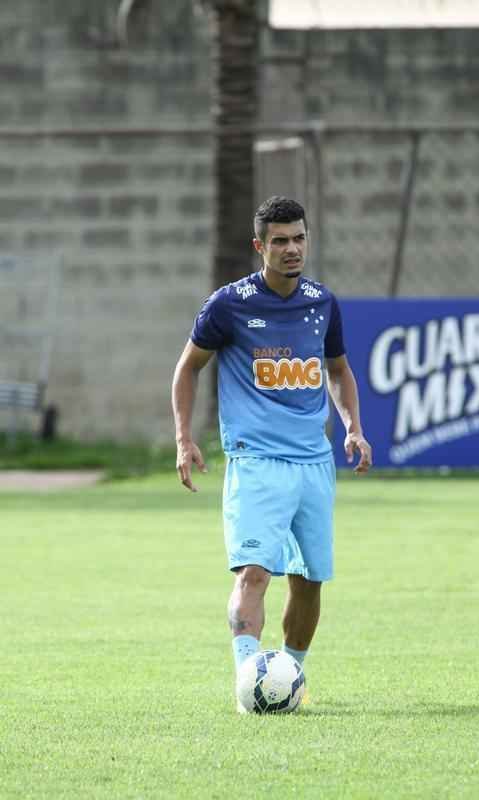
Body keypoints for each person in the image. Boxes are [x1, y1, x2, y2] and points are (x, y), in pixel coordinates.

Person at [171, 196, 371, 711]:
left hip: (314, 464)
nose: (291, 249)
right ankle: (248, 680)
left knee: (309, 583)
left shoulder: (322, 303)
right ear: (260, 246)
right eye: (280, 240)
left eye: (299, 238)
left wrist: (352, 427)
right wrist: (184, 438)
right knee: (255, 572)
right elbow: (188, 367)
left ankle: (287, 681)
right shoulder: (229, 304)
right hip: (257, 461)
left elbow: (339, 369)